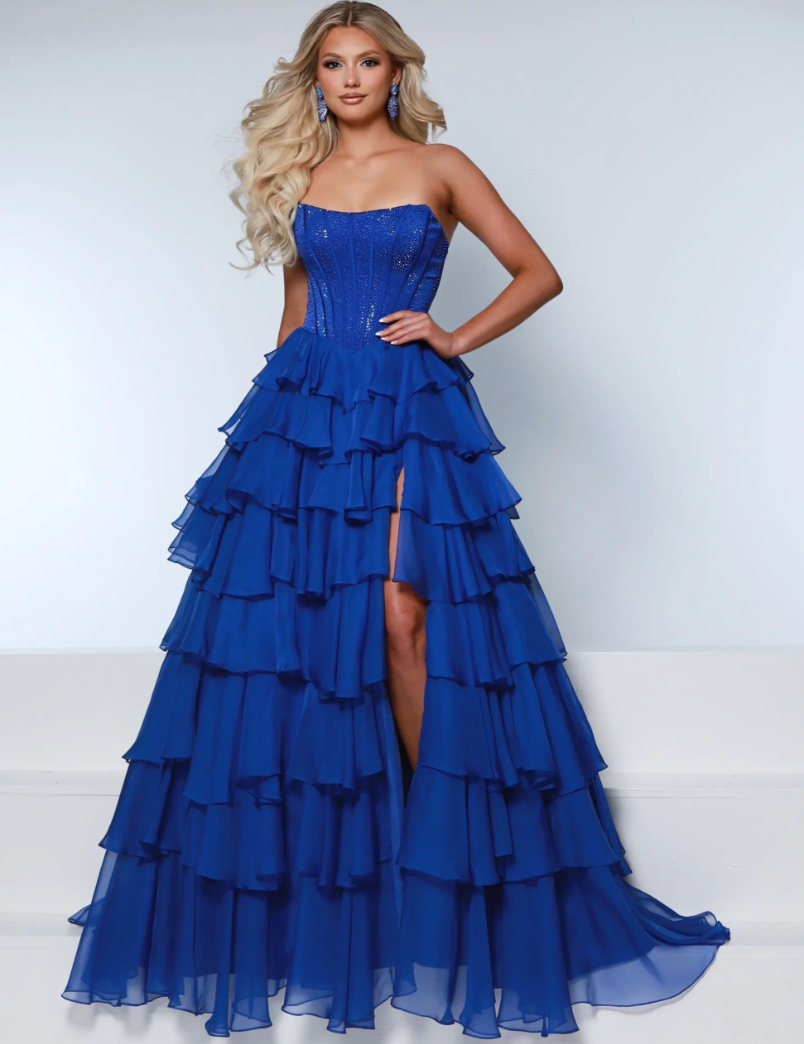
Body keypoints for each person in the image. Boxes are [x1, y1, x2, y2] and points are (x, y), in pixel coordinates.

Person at [62, 2, 730, 1037]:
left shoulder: (441, 166)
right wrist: (269, 425)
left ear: (396, 72)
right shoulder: (302, 175)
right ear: (314, 78)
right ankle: (333, 858)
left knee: (398, 612)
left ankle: (442, 837)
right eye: (333, 64)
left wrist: (452, 335)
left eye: (368, 62)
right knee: (296, 633)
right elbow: (295, 310)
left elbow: (540, 273)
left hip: (410, 403)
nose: (351, 79)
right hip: (308, 408)